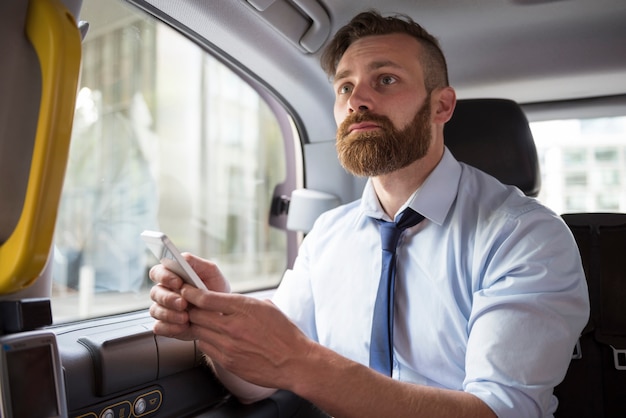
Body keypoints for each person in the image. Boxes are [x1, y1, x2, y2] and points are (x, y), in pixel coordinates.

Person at [149, 10, 589, 418]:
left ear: (442, 106)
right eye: (344, 87)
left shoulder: (526, 236)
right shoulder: (327, 235)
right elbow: (253, 386)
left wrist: (302, 363)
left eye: (386, 80)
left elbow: (498, 412)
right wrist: (219, 321)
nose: (357, 99)